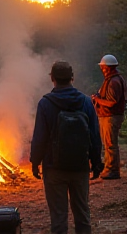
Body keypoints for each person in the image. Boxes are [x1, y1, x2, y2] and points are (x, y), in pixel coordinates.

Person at [30, 60, 102, 234]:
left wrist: (35, 162)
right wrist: (96, 163)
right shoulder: (86, 102)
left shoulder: (45, 103)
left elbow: (39, 137)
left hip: (54, 168)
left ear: (52, 78)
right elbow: (94, 135)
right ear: (72, 78)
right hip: (80, 167)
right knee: (83, 215)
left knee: (59, 218)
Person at [92, 54, 127, 179]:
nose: (102, 69)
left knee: (110, 144)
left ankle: (112, 170)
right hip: (109, 116)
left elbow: (112, 102)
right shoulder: (114, 79)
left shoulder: (113, 81)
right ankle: (109, 168)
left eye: (103, 67)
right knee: (108, 144)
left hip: (111, 116)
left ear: (109, 67)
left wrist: (97, 99)